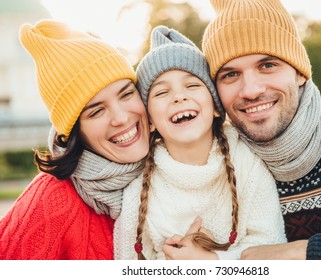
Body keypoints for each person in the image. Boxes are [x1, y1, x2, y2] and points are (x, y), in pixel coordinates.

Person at [201, 0, 321, 259]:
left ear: (300, 73)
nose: (251, 90)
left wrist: (305, 254)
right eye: (230, 75)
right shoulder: (215, 165)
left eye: (267, 65)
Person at [114, 25, 286, 260]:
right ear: (150, 121)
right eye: (161, 93)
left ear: (216, 106)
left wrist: (211, 262)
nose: (179, 96)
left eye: (192, 85)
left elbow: (271, 242)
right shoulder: (140, 187)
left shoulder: (247, 162)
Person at [0, 20, 150, 259]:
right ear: (74, 132)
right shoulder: (51, 202)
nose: (121, 118)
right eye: (96, 111)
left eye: (126, 93)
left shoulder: (171, 171)